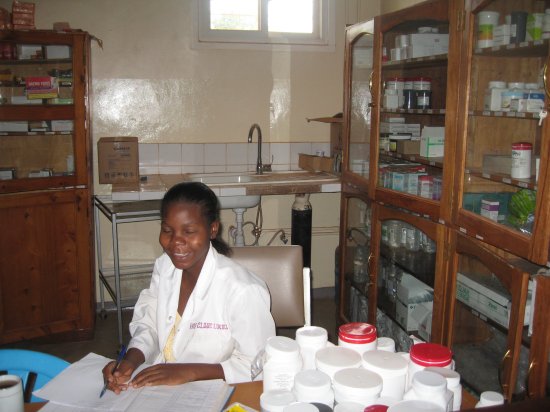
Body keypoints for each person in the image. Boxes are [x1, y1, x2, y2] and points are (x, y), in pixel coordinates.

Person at [102, 181, 275, 393]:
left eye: (189, 231)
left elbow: (259, 365)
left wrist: (189, 372)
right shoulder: (164, 267)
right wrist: (131, 361)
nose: (176, 242)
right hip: (159, 386)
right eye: (167, 230)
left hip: (215, 391)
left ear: (212, 230)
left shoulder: (243, 290)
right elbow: (150, 324)